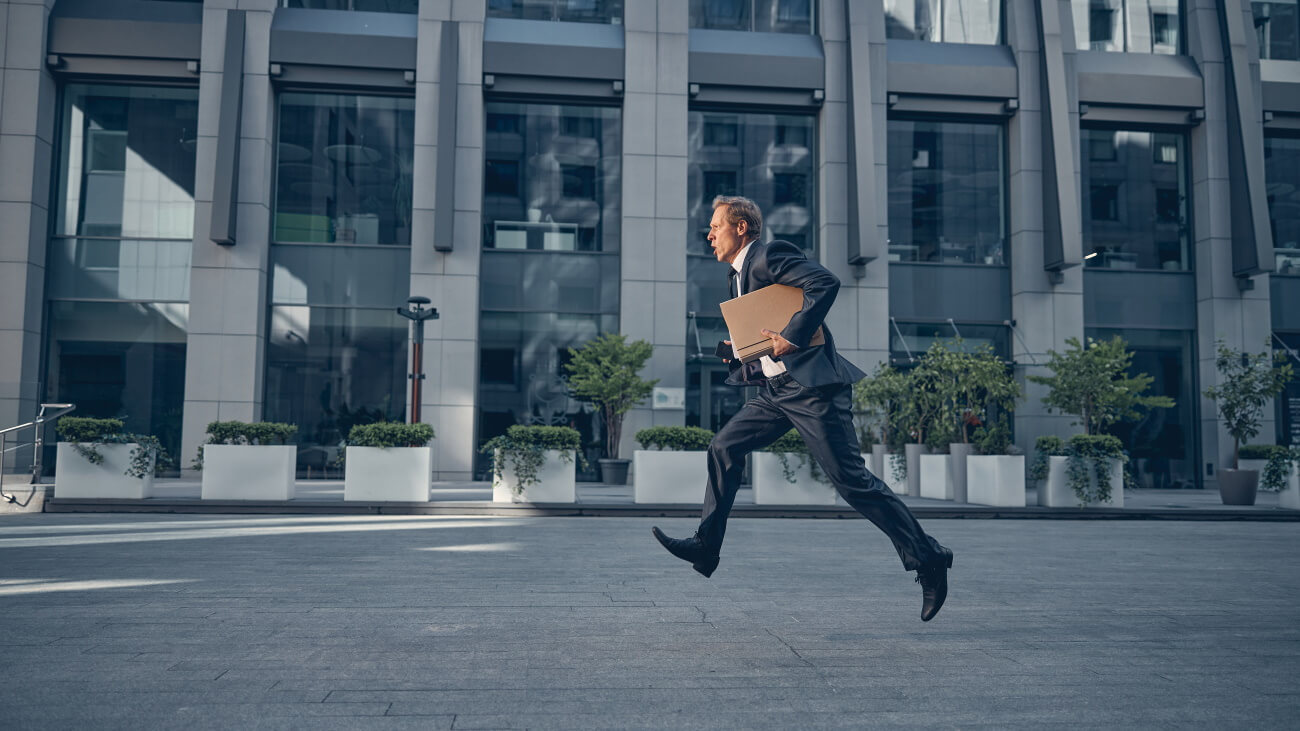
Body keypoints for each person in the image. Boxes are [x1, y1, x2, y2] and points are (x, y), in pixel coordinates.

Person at [652, 195, 954, 622]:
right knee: (724, 447)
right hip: (777, 392)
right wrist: (738, 351)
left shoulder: (767, 255)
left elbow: (825, 283)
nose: (709, 235)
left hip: (813, 391)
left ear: (741, 228)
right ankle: (706, 545)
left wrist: (792, 336)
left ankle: (929, 558)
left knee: (852, 482)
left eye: (715, 227)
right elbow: (764, 330)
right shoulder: (735, 277)